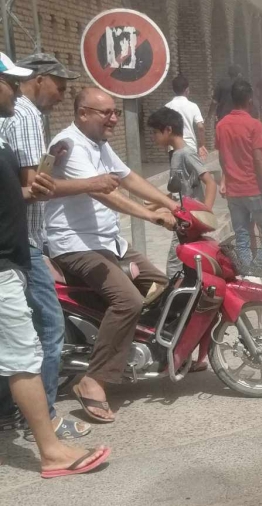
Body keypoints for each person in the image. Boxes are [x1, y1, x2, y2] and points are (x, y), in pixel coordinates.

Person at [0, 52, 112, 479]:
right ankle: (47, 440)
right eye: (9, 81)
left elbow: (24, 187)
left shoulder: (10, 123)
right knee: (40, 336)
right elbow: (33, 189)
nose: (15, 88)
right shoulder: (24, 117)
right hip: (14, 252)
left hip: (21, 247)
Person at [44, 88, 178, 423]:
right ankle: (93, 380)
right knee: (128, 301)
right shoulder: (70, 145)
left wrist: (172, 204)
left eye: (116, 112)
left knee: (164, 285)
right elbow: (105, 194)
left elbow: (128, 178)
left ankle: (158, 351)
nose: (114, 119)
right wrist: (150, 215)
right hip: (75, 245)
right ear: (83, 113)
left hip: (109, 243)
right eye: (107, 113)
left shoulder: (99, 146)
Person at [216, 79, 262, 279]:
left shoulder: (221, 125)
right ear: (250, 100)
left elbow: (222, 157)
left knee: (242, 236)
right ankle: (256, 268)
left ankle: (246, 274)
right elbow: (261, 160)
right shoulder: (254, 125)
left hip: (234, 193)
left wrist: (225, 180)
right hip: (254, 190)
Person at [147, 107, 217, 277]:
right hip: (184, 220)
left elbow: (210, 182)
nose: (153, 137)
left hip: (188, 222)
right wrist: (152, 206)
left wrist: (202, 217)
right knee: (187, 266)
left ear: (168, 130)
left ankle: (176, 301)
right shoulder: (176, 154)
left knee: (173, 267)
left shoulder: (187, 154)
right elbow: (179, 192)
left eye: (156, 132)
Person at [165, 75, 208, 162]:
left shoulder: (167, 107)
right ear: (187, 90)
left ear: (173, 90)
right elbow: (200, 127)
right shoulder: (193, 106)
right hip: (190, 147)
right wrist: (202, 145)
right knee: (192, 174)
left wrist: (167, 146)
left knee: (177, 174)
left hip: (174, 148)